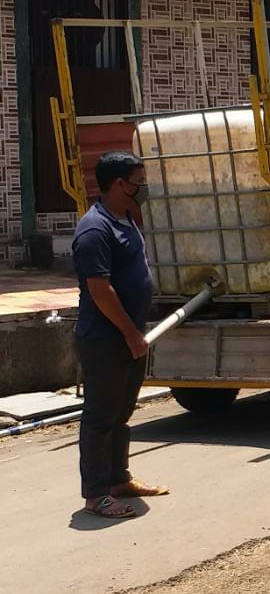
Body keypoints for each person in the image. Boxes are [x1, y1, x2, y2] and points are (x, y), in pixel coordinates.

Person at [72, 151, 166, 519]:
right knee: (100, 416)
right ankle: (96, 495)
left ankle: (118, 479)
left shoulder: (125, 217)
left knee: (122, 412)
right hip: (105, 339)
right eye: (137, 181)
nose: (142, 188)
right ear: (117, 184)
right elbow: (100, 290)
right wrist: (129, 332)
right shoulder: (95, 229)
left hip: (129, 335)